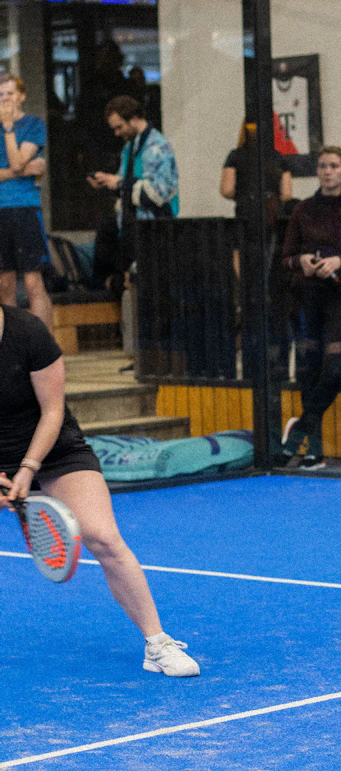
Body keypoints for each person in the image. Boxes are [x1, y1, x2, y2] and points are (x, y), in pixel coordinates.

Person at [0, 304, 199, 676]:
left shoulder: (27, 332)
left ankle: (157, 644)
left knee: (103, 537)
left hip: (54, 451)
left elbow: (52, 411)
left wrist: (28, 468)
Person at [280, 146, 341, 468]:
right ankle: (313, 449)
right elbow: (286, 257)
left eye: (334, 166)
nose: (327, 171)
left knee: (334, 367)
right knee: (309, 369)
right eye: (322, 166)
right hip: (307, 293)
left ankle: (300, 430)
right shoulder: (303, 210)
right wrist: (302, 262)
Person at [88, 95, 179, 292]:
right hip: (131, 228)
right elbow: (124, 184)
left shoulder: (157, 147)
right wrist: (106, 182)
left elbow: (157, 194)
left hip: (154, 230)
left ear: (134, 118)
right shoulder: (130, 147)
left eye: (119, 127)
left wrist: (119, 183)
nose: (116, 133)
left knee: (147, 289)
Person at [0, 74, 53, 331]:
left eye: (9, 94)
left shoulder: (33, 124)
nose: (5, 100)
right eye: (0, 95)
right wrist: (19, 171)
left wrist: (8, 128)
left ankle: (47, 352)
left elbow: (18, 160)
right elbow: (21, 166)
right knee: (5, 283)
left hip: (25, 208)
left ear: (21, 96)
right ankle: (11, 352)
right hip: (1, 210)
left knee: (33, 282)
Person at [220, 121, 293, 225]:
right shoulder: (277, 157)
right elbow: (286, 193)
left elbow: (227, 190)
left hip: (245, 212)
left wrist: (243, 194)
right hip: (272, 213)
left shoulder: (235, 156)